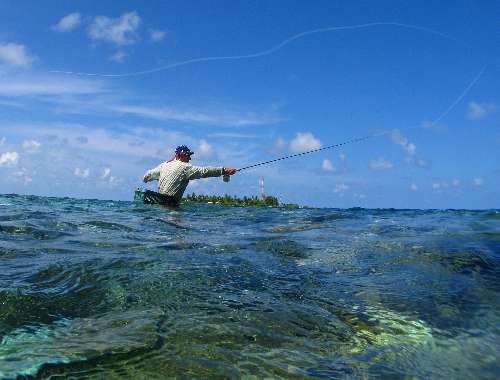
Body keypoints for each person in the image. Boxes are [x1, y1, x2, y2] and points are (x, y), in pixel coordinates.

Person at [142, 145, 238, 206]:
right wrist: (224, 170)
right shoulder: (185, 167)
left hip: (158, 203)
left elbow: (146, 176)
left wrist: (147, 178)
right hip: (170, 206)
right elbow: (204, 171)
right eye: (188, 155)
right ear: (180, 155)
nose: (190, 158)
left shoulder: (163, 165)